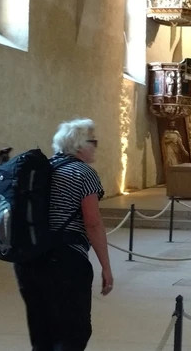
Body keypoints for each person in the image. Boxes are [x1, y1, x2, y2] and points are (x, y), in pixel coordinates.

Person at [13, 118, 113, 351]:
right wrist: (106, 267)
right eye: (93, 141)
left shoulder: (39, 170)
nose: (96, 147)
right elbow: (93, 223)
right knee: (73, 334)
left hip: (27, 260)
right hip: (64, 261)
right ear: (79, 145)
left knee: (42, 335)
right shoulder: (83, 172)